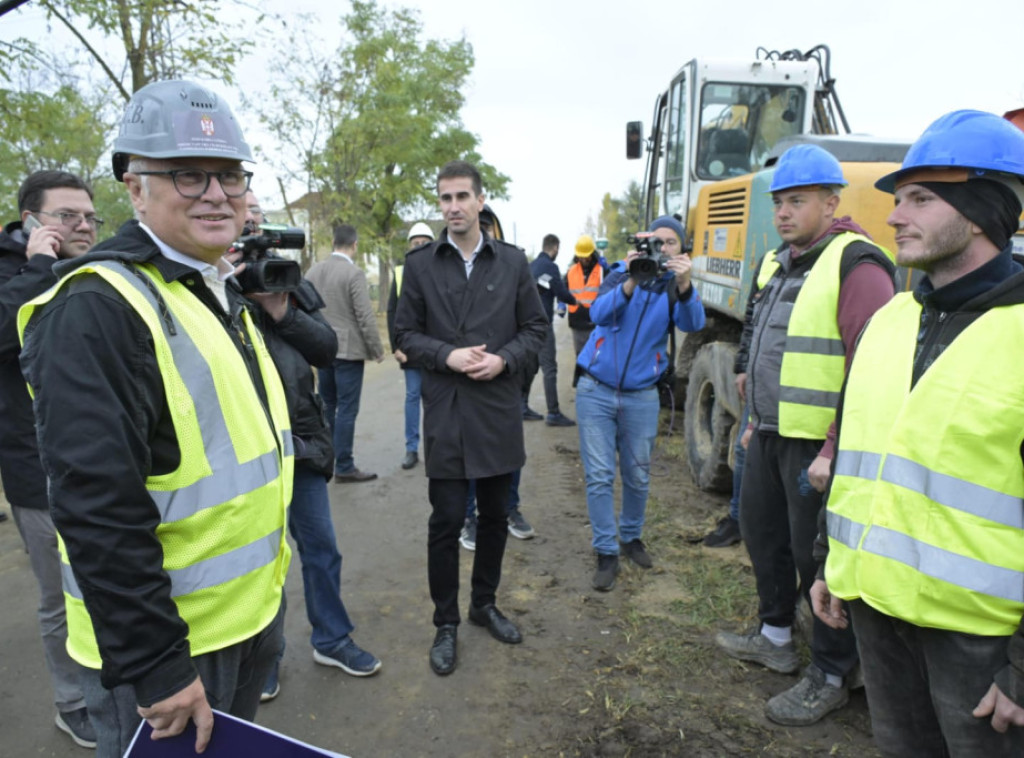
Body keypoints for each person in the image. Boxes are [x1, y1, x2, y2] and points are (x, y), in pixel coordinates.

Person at [17, 80, 292, 757]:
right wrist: (156, 664)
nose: (216, 194)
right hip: (170, 654)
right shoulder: (94, 308)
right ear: (134, 188)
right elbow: (95, 505)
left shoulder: (205, 285)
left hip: (246, 621)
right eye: (188, 175)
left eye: (229, 175)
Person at [811, 110, 1024, 756]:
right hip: (875, 608)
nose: (895, 217)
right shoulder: (891, 320)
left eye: (922, 199)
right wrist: (830, 563)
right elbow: (858, 455)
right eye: (898, 200)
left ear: (983, 210)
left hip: (980, 643)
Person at [714, 143, 898, 726]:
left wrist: (833, 448)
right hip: (768, 434)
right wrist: (749, 417)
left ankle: (831, 673)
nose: (784, 213)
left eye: (797, 201)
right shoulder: (777, 261)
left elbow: (872, 368)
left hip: (815, 448)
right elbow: (754, 338)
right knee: (762, 536)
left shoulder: (858, 266)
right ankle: (773, 637)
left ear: (831, 201)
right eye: (779, 203)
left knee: (817, 561)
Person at [394, 160, 547, 676]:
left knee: (496, 518)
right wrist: (447, 356)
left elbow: (535, 328)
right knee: (445, 521)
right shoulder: (419, 266)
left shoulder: (512, 262)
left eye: (462, 197)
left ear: (481, 201)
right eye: (444, 198)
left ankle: (484, 604)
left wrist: (504, 359)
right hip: (446, 412)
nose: (453, 207)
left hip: (498, 410)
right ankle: (446, 623)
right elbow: (404, 335)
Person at [237, 195, 380, 704]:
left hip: (300, 442)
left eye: (256, 211)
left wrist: (279, 310)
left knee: (321, 548)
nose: (249, 218)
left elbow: (325, 348)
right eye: (242, 211)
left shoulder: (288, 279)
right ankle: (263, 658)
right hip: (242, 452)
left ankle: (332, 639)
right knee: (258, 561)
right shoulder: (201, 281)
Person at [0, 170, 99, 748]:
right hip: (34, 468)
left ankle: (114, 682)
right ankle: (72, 701)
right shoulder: (16, 271)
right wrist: (38, 268)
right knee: (58, 597)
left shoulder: (93, 268)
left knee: (107, 579)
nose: (83, 225)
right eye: (68, 215)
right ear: (31, 220)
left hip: (101, 460)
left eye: (89, 215)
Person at [576, 215, 706, 591]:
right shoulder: (619, 273)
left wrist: (684, 283)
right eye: (657, 241)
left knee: (637, 474)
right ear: (644, 242)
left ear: (681, 250)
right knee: (600, 475)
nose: (663, 249)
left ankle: (630, 537)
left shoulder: (672, 287)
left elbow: (693, 324)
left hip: (642, 396)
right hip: (596, 391)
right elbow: (597, 314)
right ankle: (605, 551)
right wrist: (633, 277)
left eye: (671, 243)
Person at [306, 224, 385, 483]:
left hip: (321, 346)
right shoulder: (353, 273)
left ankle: (327, 461)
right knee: (347, 410)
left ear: (332, 241)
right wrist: (377, 349)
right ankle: (345, 465)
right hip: (348, 352)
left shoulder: (313, 271)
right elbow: (364, 315)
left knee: (328, 406)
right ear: (354, 245)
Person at [387, 221, 435, 470]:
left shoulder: (441, 270)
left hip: (436, 350)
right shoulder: (400, 273)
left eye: (423, 243)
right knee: (413, 396)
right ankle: (411, 449)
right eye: (415, 243)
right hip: (410, 348)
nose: (419, 247)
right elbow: (392, 312)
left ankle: (436, 447)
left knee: (436, 399)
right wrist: (396, 346)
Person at [524, 233, 577, 426]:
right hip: (542, 326)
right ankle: (553, 413)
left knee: (530, 367)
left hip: (526, 326)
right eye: (558, 250)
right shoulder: (551, 267)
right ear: (554, 248)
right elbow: (561, 292)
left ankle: (522, 406)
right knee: (550, 369)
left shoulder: (530, 267)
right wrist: (574, 301)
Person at [565, 234, 609, 356]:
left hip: (595, 322)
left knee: (597, 356)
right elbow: (563, 289)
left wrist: (609, 270)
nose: (584, 260)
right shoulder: (571, 271)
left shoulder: (601, 270)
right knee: (580, 356)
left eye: (586, 256)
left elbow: (612, 287)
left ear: (592, 253)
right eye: (581, 256)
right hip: (577, 322)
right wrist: (561, 303)